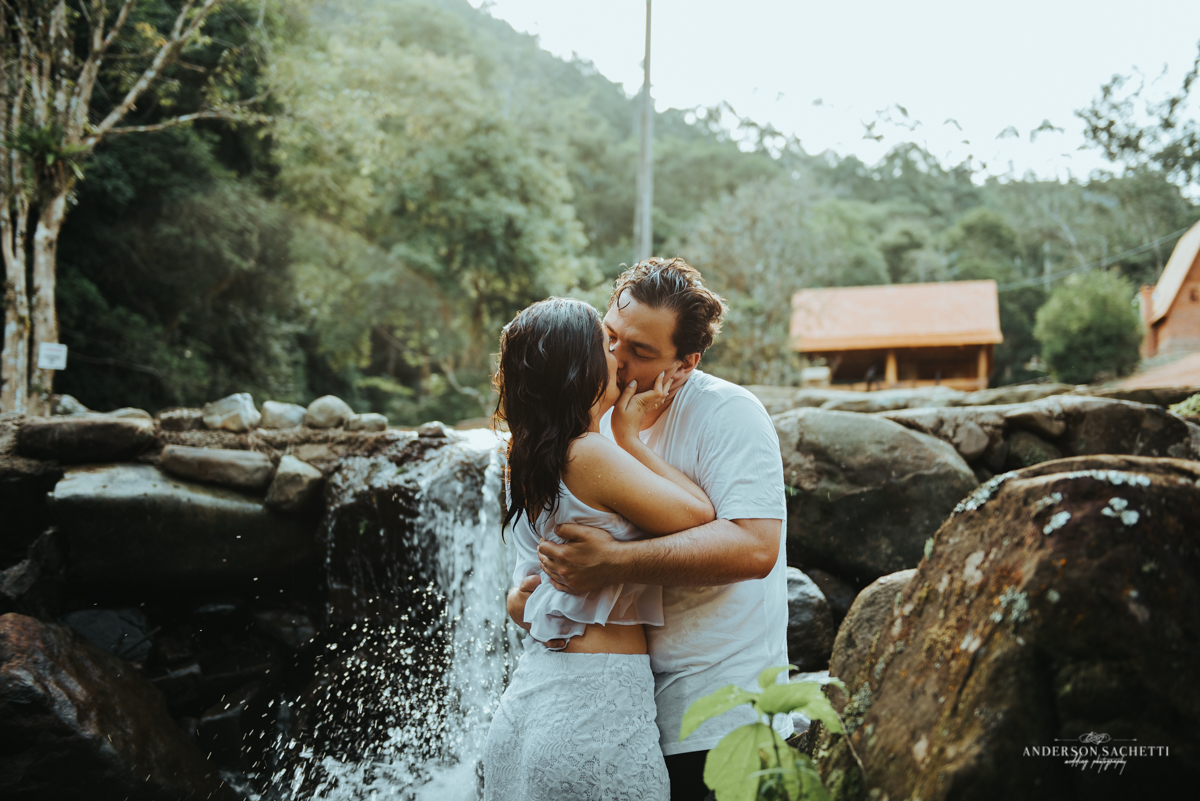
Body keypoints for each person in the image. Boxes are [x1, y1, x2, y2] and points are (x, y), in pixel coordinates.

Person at [507, 258, 790, 801]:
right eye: (610, 336)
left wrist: (613, 562)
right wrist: (527, 594)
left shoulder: (728, 413)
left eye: (640, 352)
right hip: (608, 700)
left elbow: (755, 548)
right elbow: (535, 580)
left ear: (685, 362)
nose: (615, 358)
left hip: (714, 711)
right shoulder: (584, 420)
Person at [483, 296, 724, 801]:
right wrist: (631, 439)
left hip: (529, 704)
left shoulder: (523, 456)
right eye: (605, 344)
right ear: (582, 371)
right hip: (594, 711)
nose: (617, 356)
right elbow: (699, 516)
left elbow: (528, 593)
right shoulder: (591, 453)